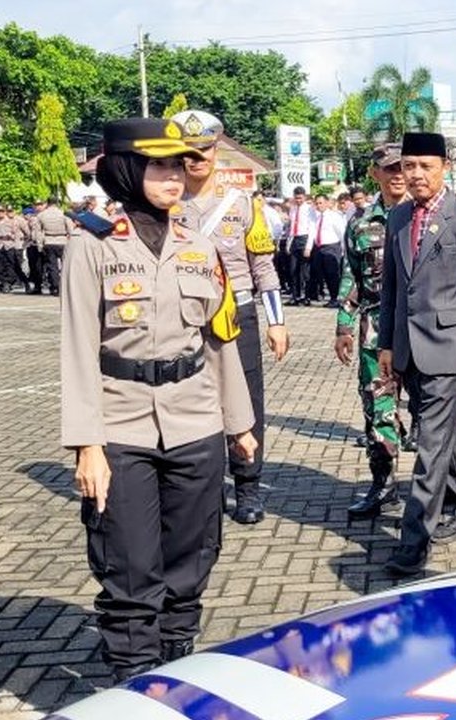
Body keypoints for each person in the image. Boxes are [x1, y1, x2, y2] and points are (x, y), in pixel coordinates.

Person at [59, 117, 257, 679]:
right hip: (121, 425)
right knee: (129, 563)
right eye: (160, 164)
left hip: (194, 419)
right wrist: (87, 446)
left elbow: (218, 338)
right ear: (125, 167)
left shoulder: (199, 244)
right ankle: (133, 679)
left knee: (193, 555)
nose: (176, 175)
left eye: (180, 164)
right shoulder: (91, 243)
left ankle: (176, 658)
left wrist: (238, 423)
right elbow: (76, 348)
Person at [378, 131, 456, 575]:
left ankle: (414, 540)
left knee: (430, 444)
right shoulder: (397, 218)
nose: (416, 175)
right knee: (444, 435)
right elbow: (392, 288)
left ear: (444, 168)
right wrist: (387, 345)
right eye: (409, 166)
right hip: (408, 348)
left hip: (450, 348)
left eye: (425, 166)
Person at [173, 109, 289, 525]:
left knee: (245, 400)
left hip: (236, 314)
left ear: (216, 150)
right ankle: (208, 486)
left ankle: (248, 485)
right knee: (189, 401)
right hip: (183, 317)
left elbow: (263, 268)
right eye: (187, 153)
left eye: (202, 151)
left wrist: (276, 321)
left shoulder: (242, 205)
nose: (194, 160)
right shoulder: (166, 204)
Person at [336, 144, 410, 519]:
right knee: (378, 410)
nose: (398, 174)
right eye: (390, 168)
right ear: (374, 173)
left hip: (421, 332)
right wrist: (344, 327)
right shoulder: (361, 222)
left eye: (403, 166)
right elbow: (350, 275)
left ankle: (446, 492)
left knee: (433, 415)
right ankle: (384, 486)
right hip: (375, 331)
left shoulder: (427, 217)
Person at [310, 192, 347, 308]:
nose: (318, 205)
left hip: (331, 247)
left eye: (321, 203)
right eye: (316, 203)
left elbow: (342, 233)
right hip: (319, 247)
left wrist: (344, 250)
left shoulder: (334, 216)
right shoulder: (315, 217)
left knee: (333, 274)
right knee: (323, 274)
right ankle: (331, 297)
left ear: (327, 203)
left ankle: (336, 298)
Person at [35, 197, 72, 296]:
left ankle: (55, 287)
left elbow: (38, 232)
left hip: (49, 241)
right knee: (66, 265)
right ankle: (67, 286)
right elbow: (70, 229)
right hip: (62, 241)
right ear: (57, 203)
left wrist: (39, 245)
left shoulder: (41, 215)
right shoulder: (63, 213)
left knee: (52, 266)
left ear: (47, 203)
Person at [286, 187, 314, 304]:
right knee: (293, 270)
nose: (298, 200)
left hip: (304, 238)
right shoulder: (293, 209)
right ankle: (295, 296)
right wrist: (288, 244)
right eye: (296, 198)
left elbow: (312, 228)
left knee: (305, 271)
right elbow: (291, 228)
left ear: (304, 197)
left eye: (300, 198)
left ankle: (306, 296)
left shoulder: (309, 209)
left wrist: (308, 246)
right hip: (294, 239)